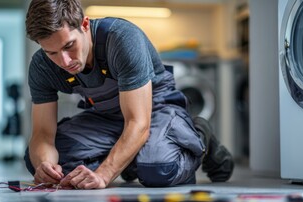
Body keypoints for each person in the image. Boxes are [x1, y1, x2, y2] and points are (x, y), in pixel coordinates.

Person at [24, 0, 234, 189]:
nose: (65, 62)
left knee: (157, 169)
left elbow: (138, 123)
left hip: (153, 112)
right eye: (52, 53)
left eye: (69, 46)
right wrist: (46, 164)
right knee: (42, 162)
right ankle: (132, 158)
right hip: (106, 116)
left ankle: (197, 134)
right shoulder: (42, 67)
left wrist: (104, 175)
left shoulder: (121, 39)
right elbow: (43, 133)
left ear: (85, 24)